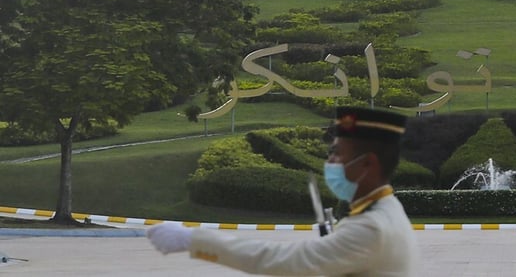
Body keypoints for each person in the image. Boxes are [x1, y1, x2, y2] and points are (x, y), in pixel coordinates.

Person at [147, 106, 418, 276]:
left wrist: (195, 240)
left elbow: (286, 261)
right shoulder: (385, 209)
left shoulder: (370, 227)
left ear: (368, 163)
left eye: (336, 155)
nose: (329, 164)